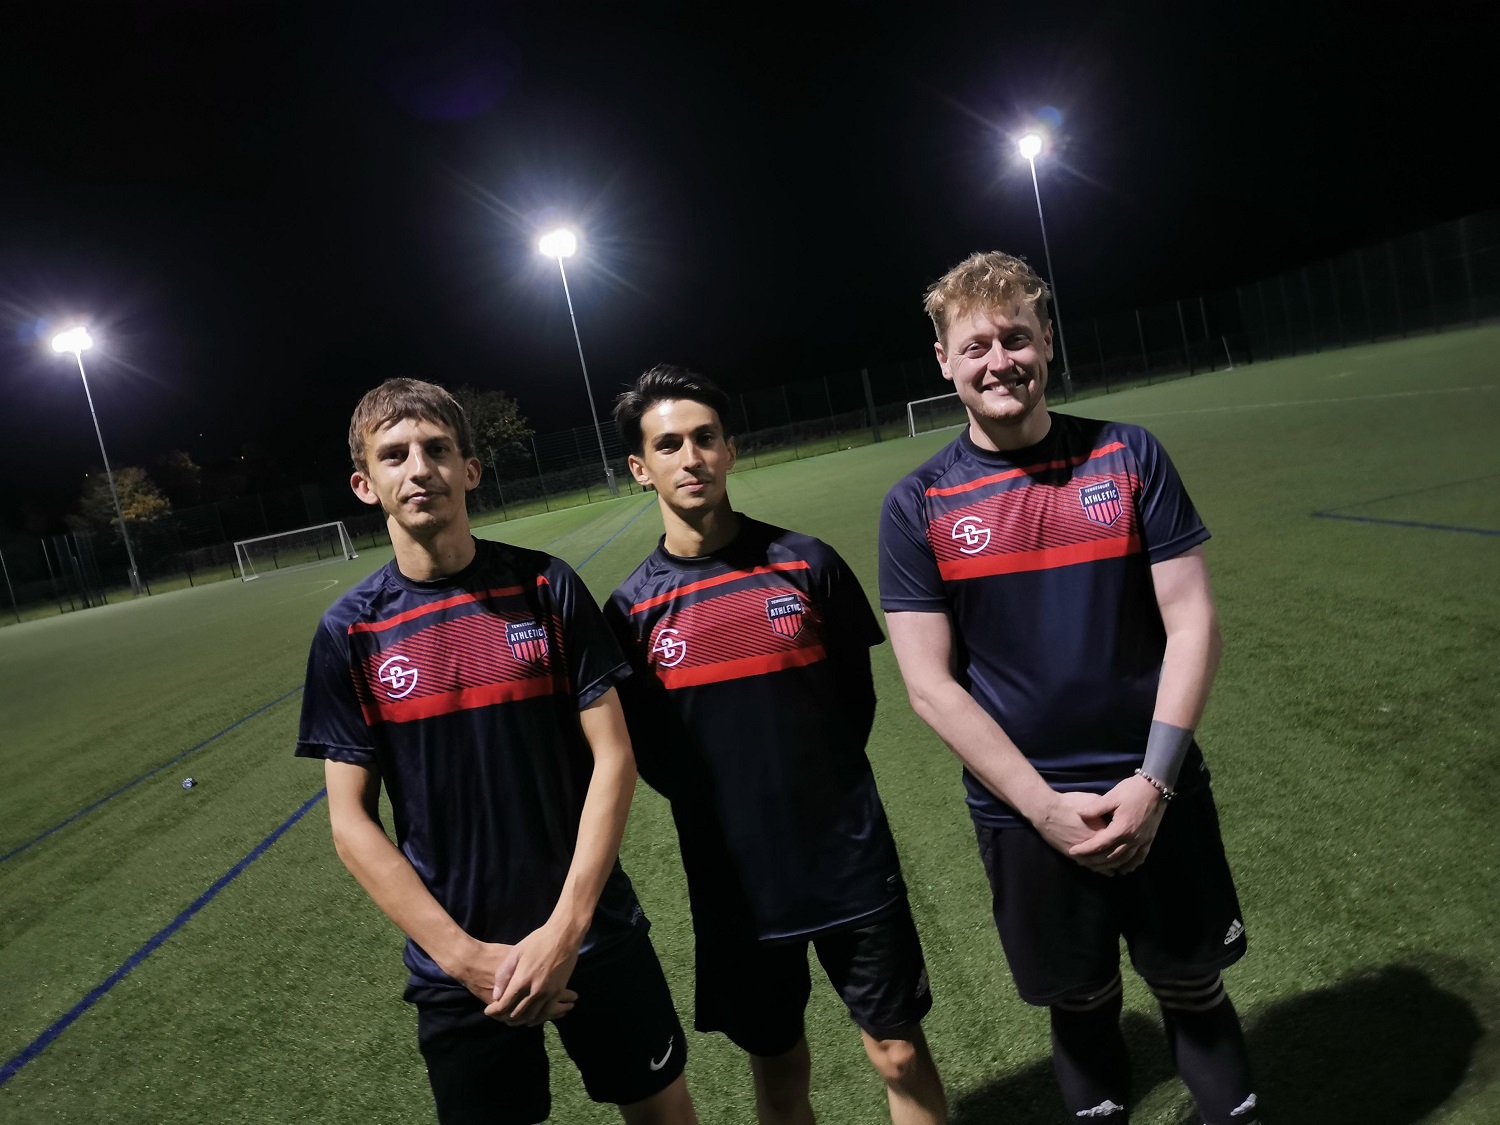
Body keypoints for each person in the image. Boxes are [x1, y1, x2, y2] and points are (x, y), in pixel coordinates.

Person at [879, 253, 1259, 1125]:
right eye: (976, 346)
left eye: (1016, 337)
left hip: (1158, 787)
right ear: (944, 361)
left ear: (1046, 340)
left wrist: (1154, 783)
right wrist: (1045, 809)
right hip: (1026, 818)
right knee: (1080, 1003)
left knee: (1192, 983)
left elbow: (1193, 621)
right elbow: (929, 685)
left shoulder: (1129, 455)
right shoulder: (918, 502)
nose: (999, 361)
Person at [295, 378, 697, 1125]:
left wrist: (565, 931)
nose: (420, 469)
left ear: (470, 469)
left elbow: (615, 756)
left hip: (594, 933)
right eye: (395, 455)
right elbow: (350, 821)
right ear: (365, 484)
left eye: (438, 449)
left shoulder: (545, 587)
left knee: (664, 1115)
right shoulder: (349, 632)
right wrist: (462, 956)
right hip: (457, 968)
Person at [604, 366, 947, 1125]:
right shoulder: (629, 611)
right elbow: (653, 753)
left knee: (897, 1050)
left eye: (705, 438)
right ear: (640, 468)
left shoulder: (807, 563)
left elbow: (854, 705)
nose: (691, 457)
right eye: (668, 444)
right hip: (733, 879)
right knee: (780, 1061)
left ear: (730, 450)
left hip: (847, 857)